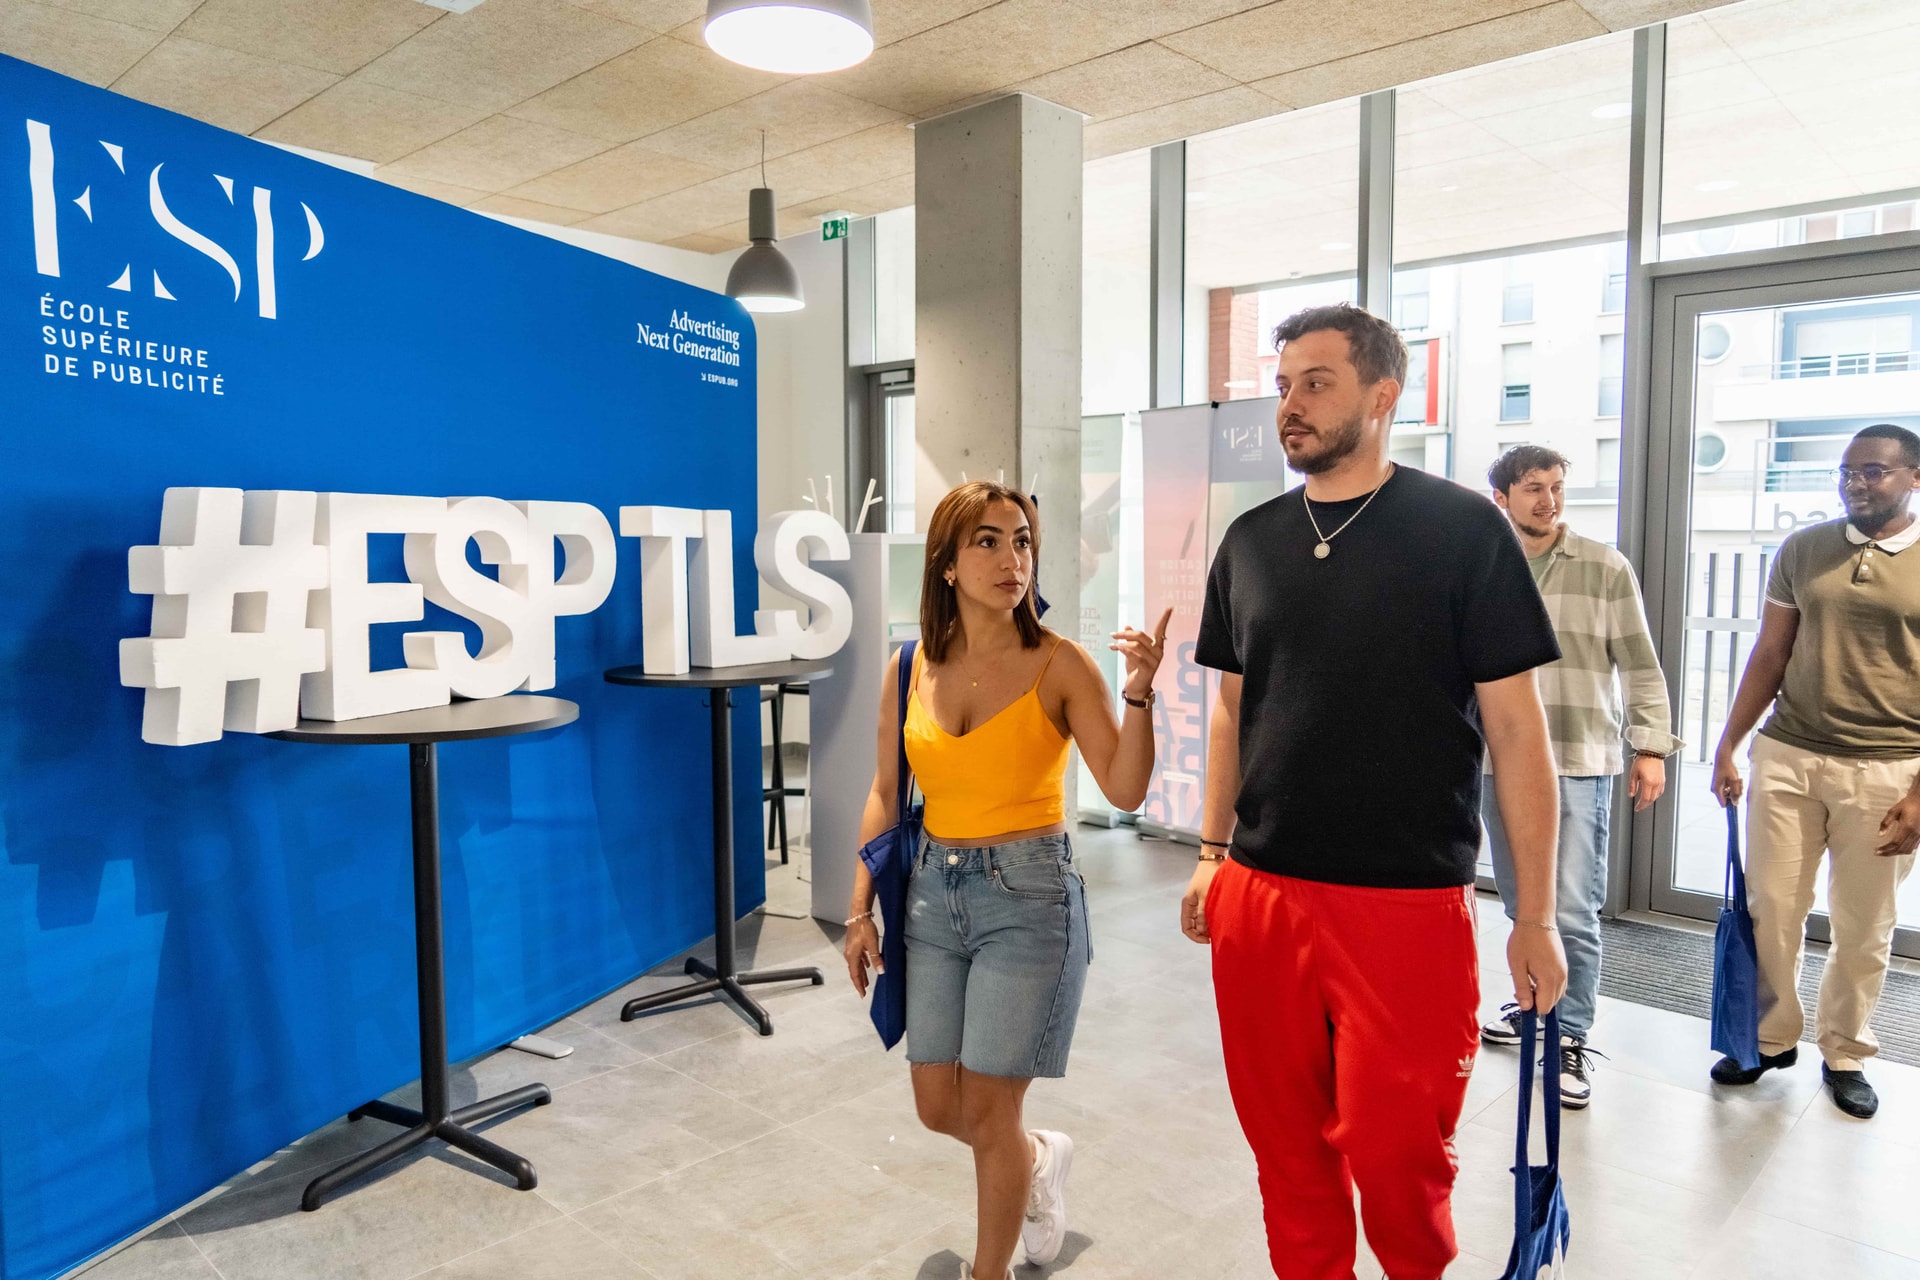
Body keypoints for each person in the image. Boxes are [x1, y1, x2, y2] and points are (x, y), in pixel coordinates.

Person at [1181, 303, 1568, 1280]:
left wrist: (1536, 915)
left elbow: (1519, 733)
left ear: (1384, 394)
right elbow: (1231, 711)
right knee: (1286, 1150)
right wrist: (1212, 852)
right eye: (1283, 386)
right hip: (1261, 894)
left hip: (1406, 902)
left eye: (1316, 383)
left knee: (1400, 1154)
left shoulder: (1463, 530)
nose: (1291, 405)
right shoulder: (1251, 539)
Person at [842, 481, 1172, 1280]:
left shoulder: (1061, 663)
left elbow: (1126, 789)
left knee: (991, 1106)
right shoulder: (909, 666)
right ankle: (1035, 1159)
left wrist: (1139, 692)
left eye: (1021, 541)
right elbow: (885, 791)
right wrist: (859, 910)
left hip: (1030, 901)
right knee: (937, 1106)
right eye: (987, 542)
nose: (1010, 559)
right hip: (931, 896)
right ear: (947, 565)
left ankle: (987, 1271)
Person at [1709, 423, 1920, 1120]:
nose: (1856, 483)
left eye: (1874, 471)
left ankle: (1846, 1052)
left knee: (1865, 924)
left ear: (1914, 477)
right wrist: (1730, 743)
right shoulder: (1803, 549)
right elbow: (1771, 652)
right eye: (1848, 472)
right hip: (1788, 755)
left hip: (1888, 770)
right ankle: (1771, 1039)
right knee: (1772, 906)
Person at [1478, 445, 1682, 1108]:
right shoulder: (1483, 568)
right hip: (1496, 762)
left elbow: (1641, 665)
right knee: (1521, 905)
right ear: (1502, 498)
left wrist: (1651, 747)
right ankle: (1533, 1010)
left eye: (1557, 487)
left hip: (1577, 760)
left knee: (1569, 908)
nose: (1549, 500)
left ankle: (1568, 1035)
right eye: (1533, 488)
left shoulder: (1603, 566)